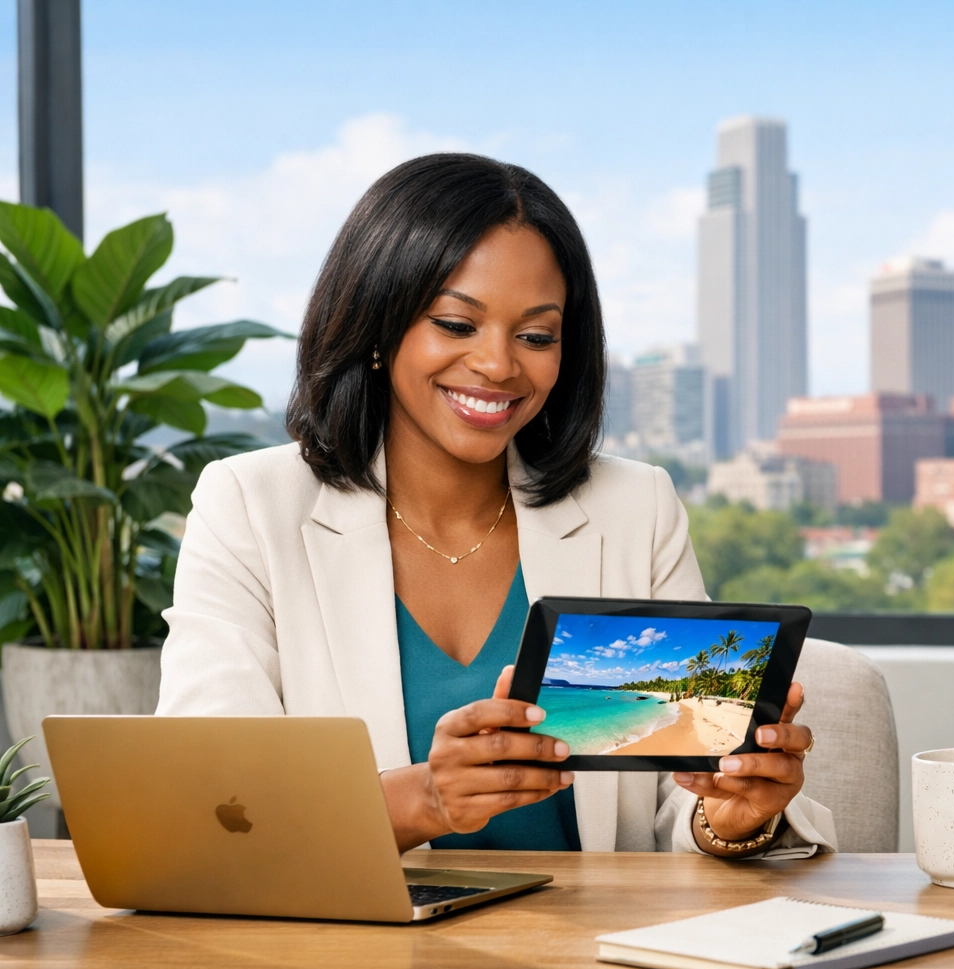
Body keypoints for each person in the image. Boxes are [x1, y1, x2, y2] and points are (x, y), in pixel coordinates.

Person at [157, 154, 836, 859]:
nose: (499, 365)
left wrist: (729, 819)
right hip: (357, 960)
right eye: (456, 324)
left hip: (593, 957)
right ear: (377, 330)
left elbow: (678, 798)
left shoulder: (637, 509)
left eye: (536, 335)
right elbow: (210, 804)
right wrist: (423, 801)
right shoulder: (250, 507)